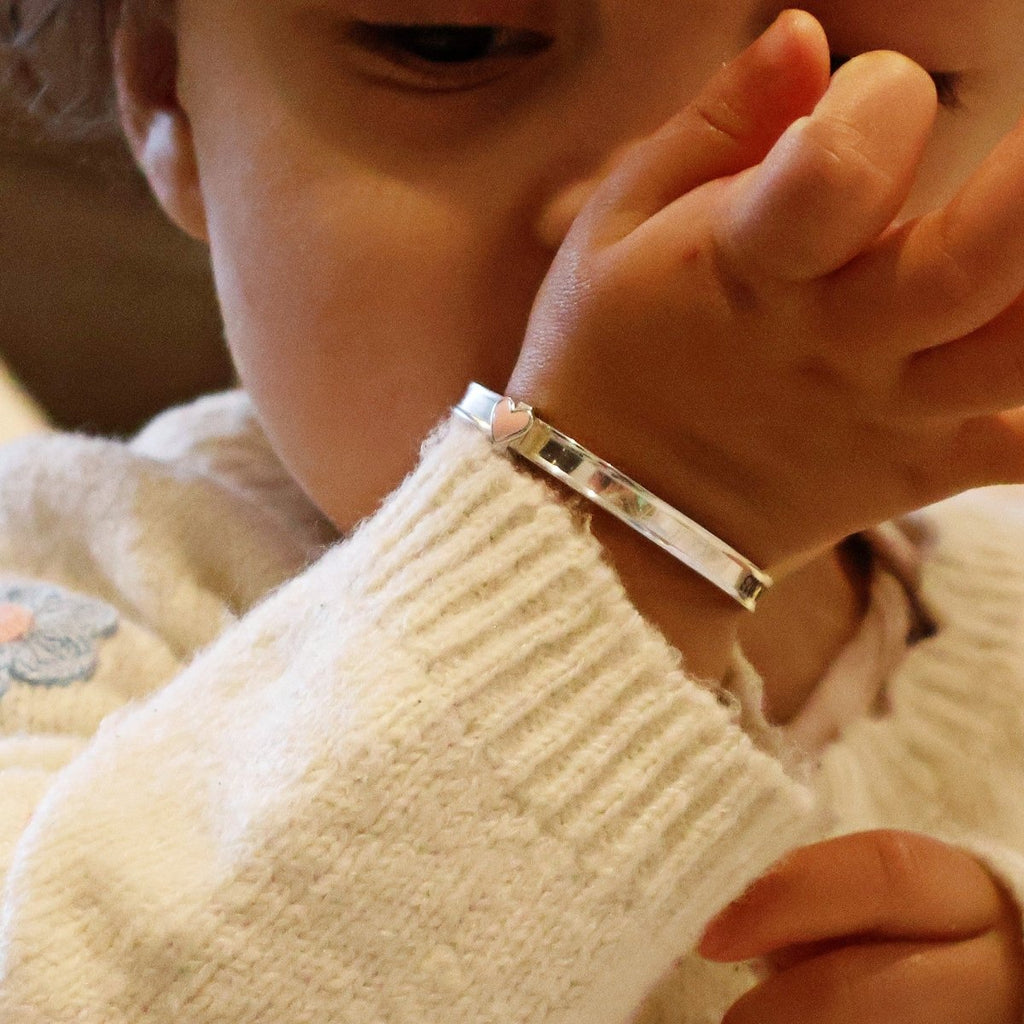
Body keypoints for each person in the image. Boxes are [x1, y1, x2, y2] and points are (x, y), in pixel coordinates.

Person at [0, 0, 1022, 1020]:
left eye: (860, 75)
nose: (657, 229)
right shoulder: (66, 607)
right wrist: (638, 511)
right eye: (451, 41)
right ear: (164, 96)